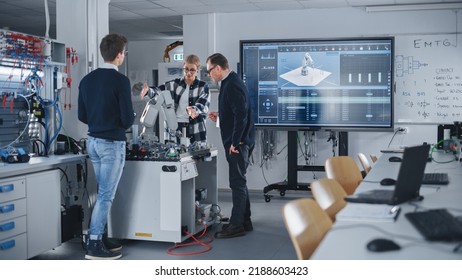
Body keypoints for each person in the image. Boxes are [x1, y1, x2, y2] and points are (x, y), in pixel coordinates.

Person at [78, 33, 135, 260]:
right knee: (105, 196)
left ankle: (99, 236)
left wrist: (99, 121)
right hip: (112, 144)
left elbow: (83, 115)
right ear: (120, 54)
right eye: (124, 53)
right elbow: (127, 119)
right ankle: (94, 245)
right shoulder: (121, 81)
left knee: (102, 194)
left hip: (93, 143)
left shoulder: (87, 80)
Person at [206, 53, 255, 239]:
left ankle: (236, 225)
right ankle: (245, 220)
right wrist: (220, 117)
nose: (209, 74)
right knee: (240, 180)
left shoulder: (232, 85)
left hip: (238, 144)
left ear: (218, 68)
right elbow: (235, 113)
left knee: (237, 183)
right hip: (238, 141)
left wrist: (235, 142)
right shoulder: (229, 82)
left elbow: (242, 116)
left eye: (210, 70)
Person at [140, 54, 210, 145]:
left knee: (197, 155)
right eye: (186, 69)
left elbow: (203, 104)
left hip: (195, 128)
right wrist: (148, 91)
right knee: (174, 155)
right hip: (176, 127)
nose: (188, 73)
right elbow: (158, 91)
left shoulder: (203, 86)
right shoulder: (175, 84)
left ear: (198, 70)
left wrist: (194, 110)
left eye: (192, 70)